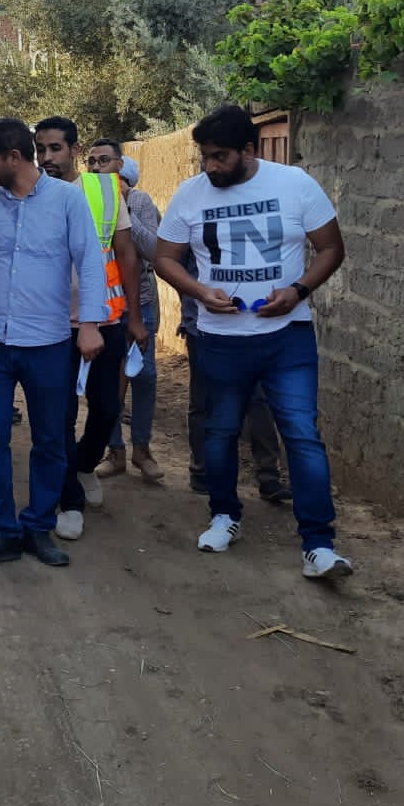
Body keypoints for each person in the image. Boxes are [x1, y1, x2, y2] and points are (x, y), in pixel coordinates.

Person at [154, 104, 353, 579]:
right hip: (220, 339)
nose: (210, 166)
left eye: (220, 156)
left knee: (302, 435)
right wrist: (199, 291)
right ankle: (225, 515)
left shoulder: (294, 184)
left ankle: (318, 545)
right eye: (205, 157)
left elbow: (331, 247)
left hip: (287, 338)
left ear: (249, 149)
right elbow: (165, 257)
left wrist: (298, 291)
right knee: (221, 432)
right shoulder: (190, 195)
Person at [0, 117, 107, 568]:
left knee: (49, 440)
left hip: (47, 343)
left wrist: (90, 324)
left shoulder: (66, 200)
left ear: (14, 157)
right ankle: (2, 532)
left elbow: (90, 262)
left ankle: (38, 527)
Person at [33, 118, 147, 541]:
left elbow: (126, 254)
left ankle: (83, 464)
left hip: (104, 320)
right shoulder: (29, 195)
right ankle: (70, 500)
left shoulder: (104, 190)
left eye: (55, 148)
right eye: (41, 149)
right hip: (50, 326)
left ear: (74, 150)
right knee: (59, 414)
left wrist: (134, 316)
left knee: (107, 408)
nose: (47, 157)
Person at [179, 252, 289, 500]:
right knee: (204, 400)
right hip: (204, 326)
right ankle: (202, 470)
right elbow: (170, 265)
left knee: (257, 399)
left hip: (250, 326)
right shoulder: (192, 227)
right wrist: (194, 303)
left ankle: (268, 476)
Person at [94, 150, 165, 483]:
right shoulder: (87, 198)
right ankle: (115, 451)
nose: (98, 166)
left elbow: (153, 249)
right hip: (105, 304)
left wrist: (124, 211)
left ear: (120, 167)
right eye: (92, 161)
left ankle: (142, 449)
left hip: (142, 301)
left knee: (144, 375)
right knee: (109, 379)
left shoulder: (140, 201)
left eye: (104, 160)